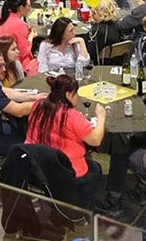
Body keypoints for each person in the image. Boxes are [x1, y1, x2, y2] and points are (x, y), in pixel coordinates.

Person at [24, 74, 106, 209]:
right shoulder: (72, 116)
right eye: (76, 94)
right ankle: (84, 208)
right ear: (68, 94)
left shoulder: (38, 105)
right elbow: (96, 140)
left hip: (36, 164)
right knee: (95, 169)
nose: (77, 97)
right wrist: (101, 117)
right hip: (64, 170)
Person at [0, 0, 38, 76]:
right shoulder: (20, 25)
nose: (29, 9)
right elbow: (23, 52)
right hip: (11, 63)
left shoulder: (1, 19)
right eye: (28, 6)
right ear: (21, 8)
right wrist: (31, 37)